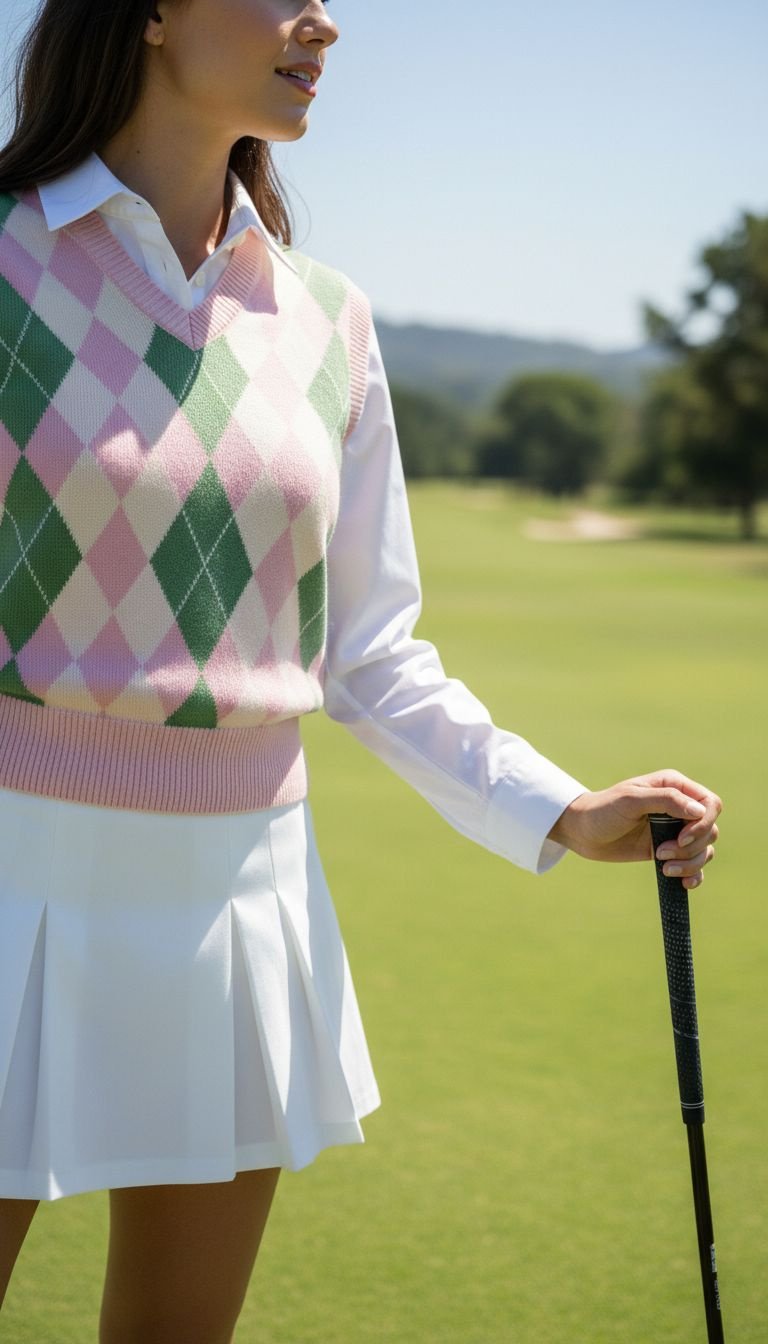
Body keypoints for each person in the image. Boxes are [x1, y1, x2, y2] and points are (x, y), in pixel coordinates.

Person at [0, 1, 721, 1340]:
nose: (321, 22)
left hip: (243, 896)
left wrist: (564, 808)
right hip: (13, 871)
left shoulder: (328, 319)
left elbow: (370, 651)